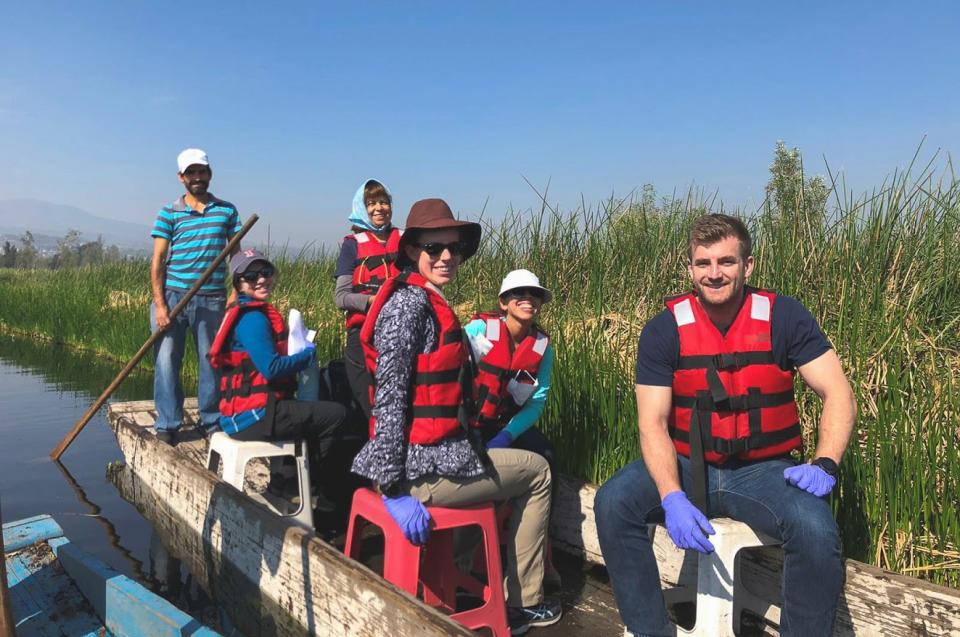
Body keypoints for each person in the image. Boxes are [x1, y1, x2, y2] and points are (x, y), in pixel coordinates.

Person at [594, 214, 856, 637]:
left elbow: (838, 393)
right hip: (685, 463)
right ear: (690, 268)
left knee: (814, 528)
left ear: (747, 265)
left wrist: (826, 462)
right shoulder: (664, 330)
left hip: (763, 470)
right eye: (703, 263)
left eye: (726, 262)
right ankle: (649, 630)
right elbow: (653, 424)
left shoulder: (783, 317)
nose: (714, 274)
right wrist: (672, 496)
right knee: (613, 503)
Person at [350, 199, 562, 634]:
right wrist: (393, 489)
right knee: (538, 471)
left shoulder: (422, 299)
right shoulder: (410, 307)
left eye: (454, 248)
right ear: (412, 251)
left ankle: (457, 575)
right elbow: (389, 397)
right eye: (434, 248)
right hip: (419, 472)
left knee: (506, 462)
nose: (446, 256)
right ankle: (523, 605)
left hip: (431, 457)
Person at [208, 249, 347, 512]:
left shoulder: (242, 312)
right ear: (239, 284)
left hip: (241, 416)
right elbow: (271, 369)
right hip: (255, 417)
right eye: (251, 276)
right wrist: (307, 355)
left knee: (296, 410)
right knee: (336, 415)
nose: (261, 279)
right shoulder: (253, 318)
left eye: (266, 272)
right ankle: (322, 496)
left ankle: (282, 484)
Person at [150, 148, 242, 445]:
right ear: (181, 178)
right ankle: (168, 422)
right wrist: (161, 305)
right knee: (166, 361)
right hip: (174, 296)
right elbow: (158, 260)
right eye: (191, 173)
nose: (198, 177)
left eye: (202, 171)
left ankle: (210, 420)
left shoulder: (227, 211)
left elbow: (237, 256)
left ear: (209, 174)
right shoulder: (169, 212)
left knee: (210, 360)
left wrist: (234, 292)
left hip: (213, 297)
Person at [333, 178, 402, 419]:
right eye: (371, 203)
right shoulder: (353, 245)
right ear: (362, 208)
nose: (379, 208)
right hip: (363, 333)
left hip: (401, 332)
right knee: (370, 404)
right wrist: (374, 301)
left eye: (384, 202)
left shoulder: (406, 241)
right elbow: (341, 297)